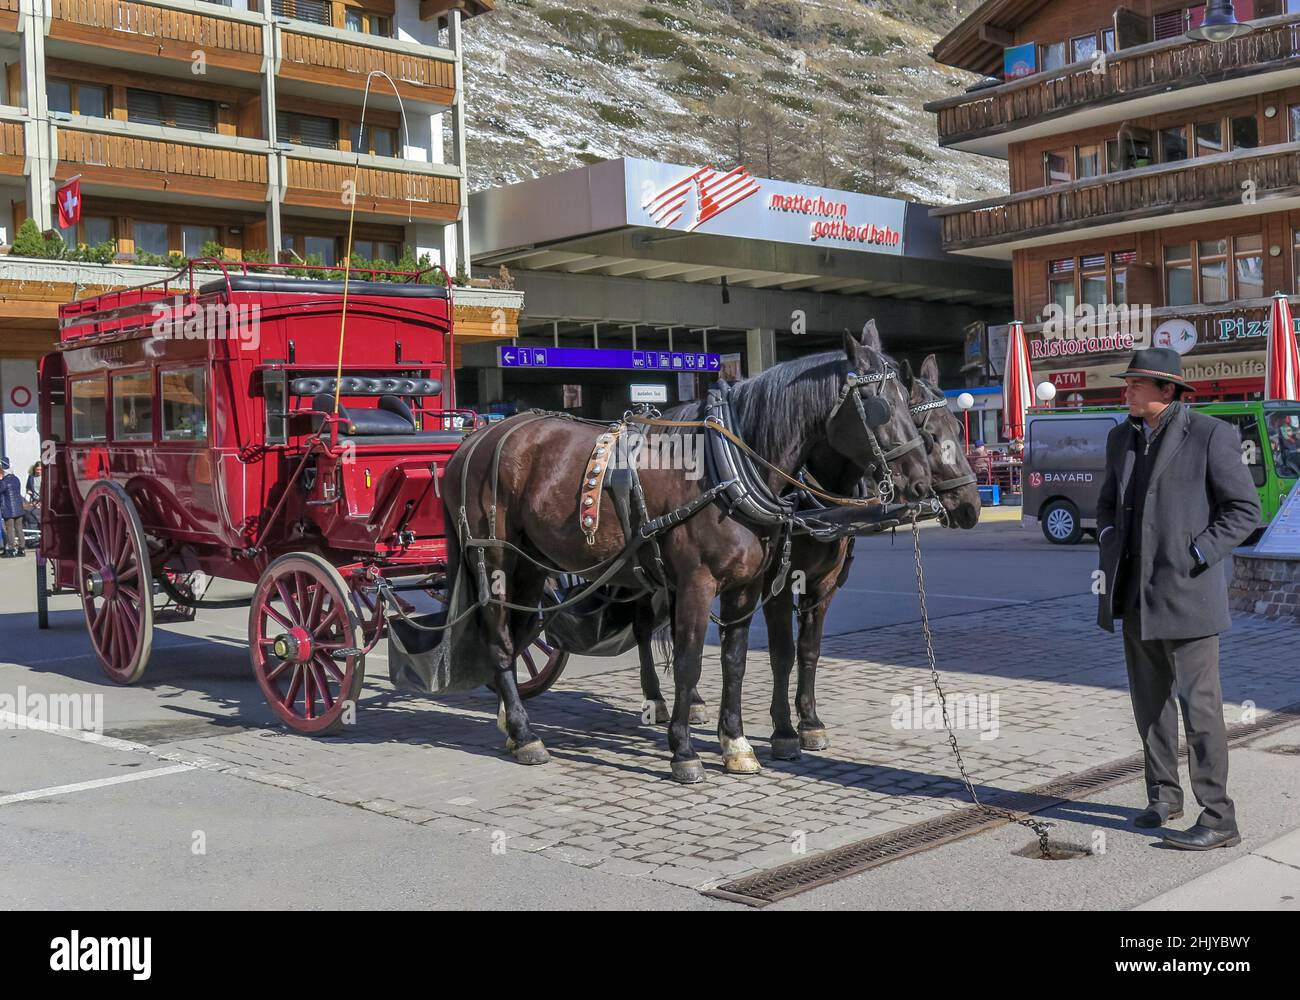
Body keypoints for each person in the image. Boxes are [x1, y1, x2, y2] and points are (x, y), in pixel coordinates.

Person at [1096, 348, 1260, 851]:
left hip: (1188, 596)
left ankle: (1219, 817)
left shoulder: (1211, 434)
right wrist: (1106, 536)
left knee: (1201, 710)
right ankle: (1164, 796)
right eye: (1127, 384)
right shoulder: (1120, 436)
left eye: (1136, 384)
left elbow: (1243, 510)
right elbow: (1107, 501)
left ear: (1166, 391)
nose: (1127, 391)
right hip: (1132, 597)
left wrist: (1196, 552)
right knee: (1150, 706)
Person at [1, 457, 26, 557]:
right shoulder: (16, 479)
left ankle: (11, 550)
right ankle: (21, 549)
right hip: (19, 508)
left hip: (8, 509)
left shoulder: (3, 482)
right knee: (19, 528)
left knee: (10, 529)